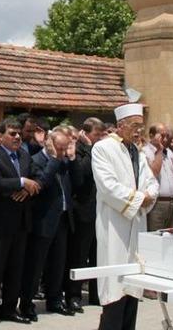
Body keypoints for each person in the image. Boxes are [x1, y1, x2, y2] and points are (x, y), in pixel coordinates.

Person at [92, 103, 159, 330]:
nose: (139, 131)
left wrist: (148, 196)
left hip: (136, 222)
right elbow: (108, 187)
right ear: (121, 126)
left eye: (141, 126)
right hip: (115, 224)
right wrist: (141, 199)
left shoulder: (137, 151)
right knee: (115, 286)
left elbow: (151, 182)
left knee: (133, 284)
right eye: (135, 126)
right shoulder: (103, 149)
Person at [0, 118, 39, 328]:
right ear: (0, 135)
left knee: (16, 269)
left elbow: (36, 176)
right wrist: (22, 182)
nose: (16, 137)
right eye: (12, 134)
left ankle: (8, 309)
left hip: (22, 222)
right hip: (0, 222)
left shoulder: (24, 155)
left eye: (18, 134)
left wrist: (25, 190)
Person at [19, 131, 76, 321]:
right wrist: (53, 158)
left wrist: (72, 158)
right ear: (49, 145)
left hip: (62, 219)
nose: (62, 153)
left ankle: (55, 300)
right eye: (59, 148)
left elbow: (76, 181)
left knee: (58, 264)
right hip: (43, 220)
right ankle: (26, 303)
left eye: (64, 149)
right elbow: (41, 184)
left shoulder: (64, 160)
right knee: (36, 266)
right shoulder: (36, 160)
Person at [65, 117, 106, 310]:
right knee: (79, 255)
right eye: (96, 134)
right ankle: (73, 295)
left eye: (100, 134)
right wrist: (89, 147)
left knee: (98, 254)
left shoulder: (101, 150)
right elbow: (80, 175)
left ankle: (97, 294)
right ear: (86, 133)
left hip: (101, 210)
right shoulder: (79, 150)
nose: (99, 138)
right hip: (83, 209)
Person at [142, 124, 173, 230]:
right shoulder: (145, 152)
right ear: (151, 135)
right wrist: (159, 150)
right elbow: (154, 173)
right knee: (154, 239)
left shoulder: (169, 152)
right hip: (157, 204)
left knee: (170, 239)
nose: (165, 139)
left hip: (172, 203)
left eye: (167, 136)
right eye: (162, 135)